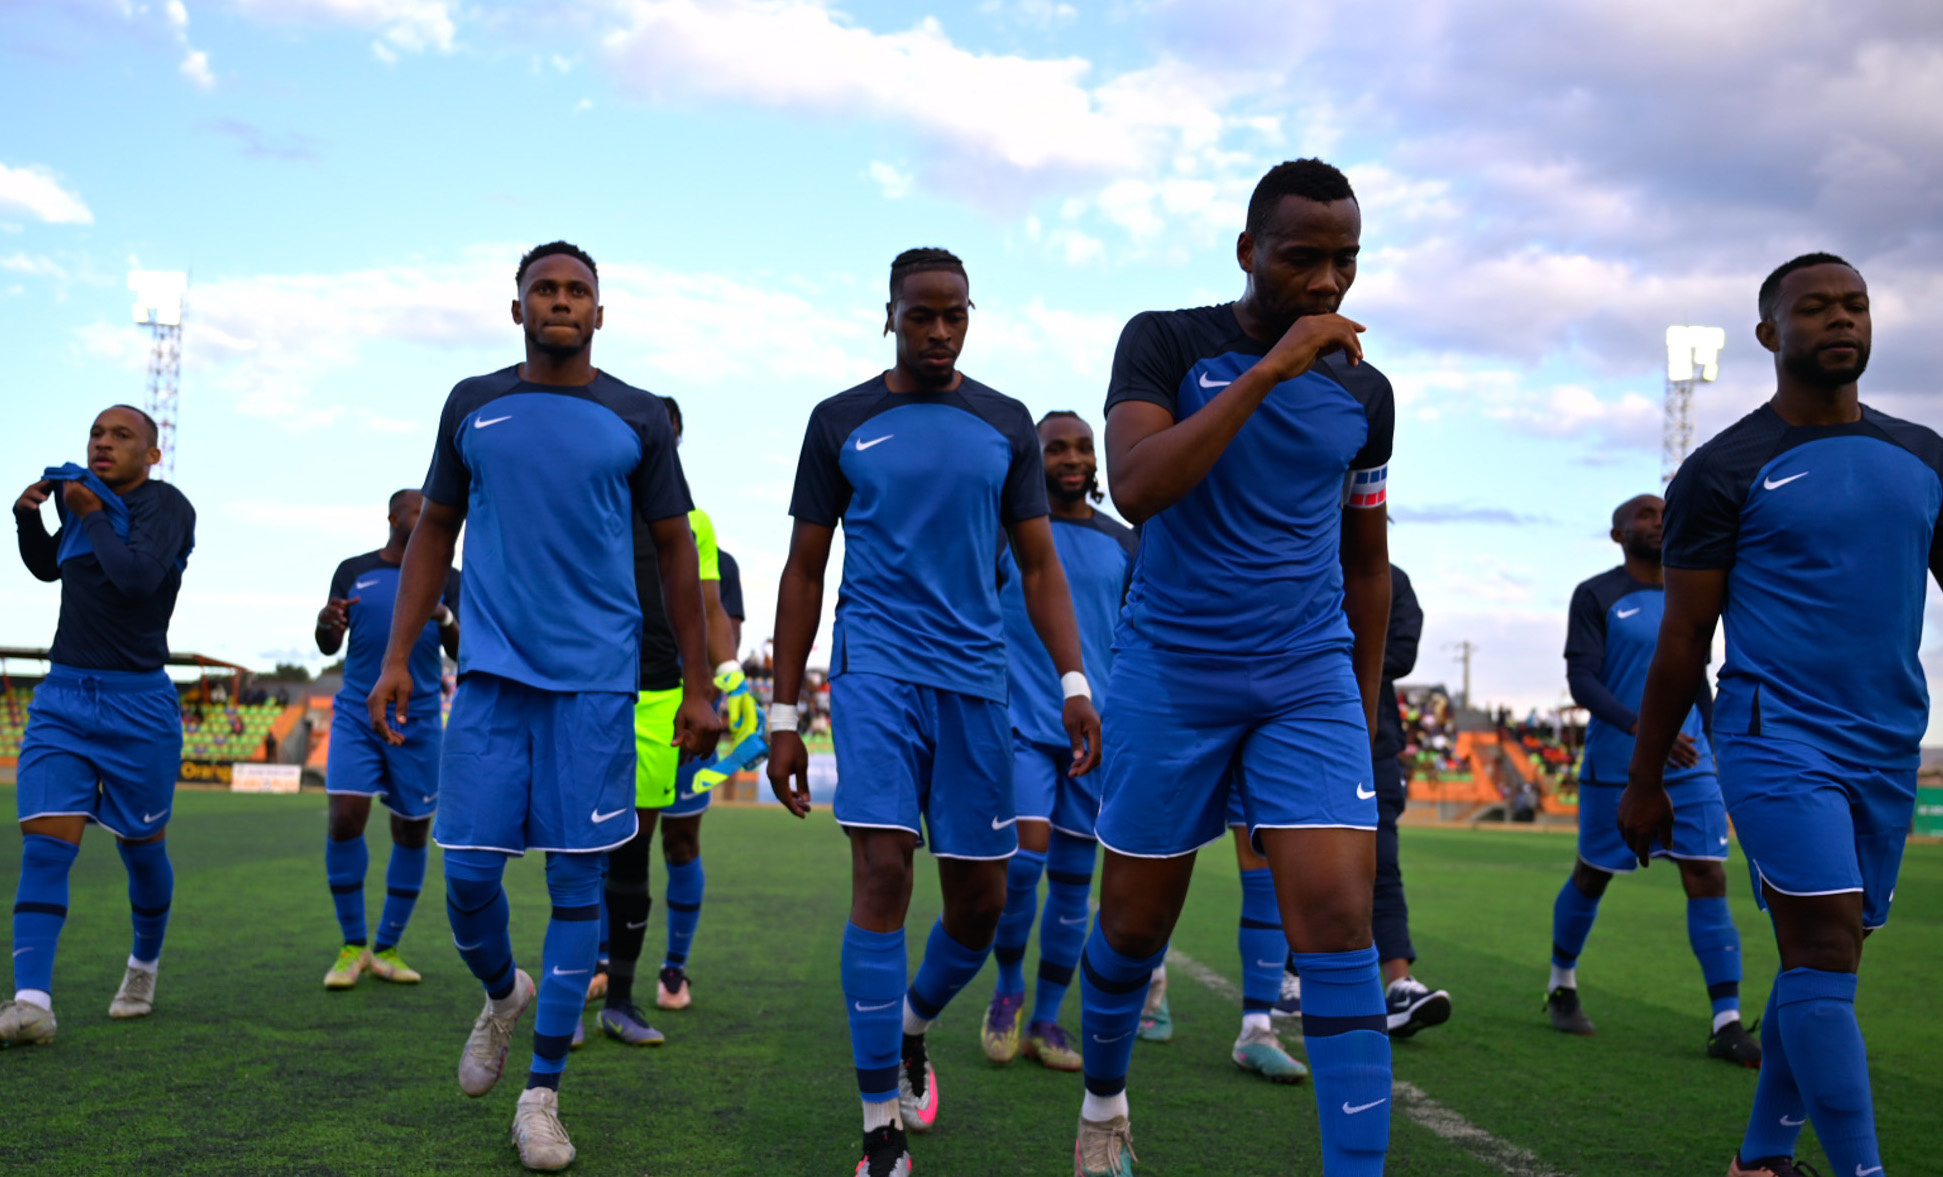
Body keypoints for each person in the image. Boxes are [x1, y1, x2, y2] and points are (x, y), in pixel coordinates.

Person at [368, 240, 720, 1171]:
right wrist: (398, 655)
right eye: (544, 290)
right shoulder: (472, 402)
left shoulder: (638, 417)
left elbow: (679, 553)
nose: (560, 301)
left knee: (577, 889)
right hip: (487, 680)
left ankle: (541, 1094)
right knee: (469, 879)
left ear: (600, 312)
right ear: (516, 306)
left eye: (577, 291)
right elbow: (435, 529)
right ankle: (499, 993)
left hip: (597, 690)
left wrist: (699, 678)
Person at [1073, 158, 1393, 1177]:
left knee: (1339, 918)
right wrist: (1267, 371)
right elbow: (1135, 485)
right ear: (1249, 251)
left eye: (1343, 260)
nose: (1326, 282)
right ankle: (1102, 1105)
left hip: (1306, 674)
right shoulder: (1165, 340)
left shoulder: (1367, 395)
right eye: (1303, 257)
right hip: (1172, 669)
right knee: (1131, 924)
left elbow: (1364, 561)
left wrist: (1365, 699)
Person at [767, 247, 1102, 1177]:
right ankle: (880, 1125)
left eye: (955, 314)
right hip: (873, 669)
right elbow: (803, 570)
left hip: (976, 684)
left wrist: (1074, 684)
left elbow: (1039, 566)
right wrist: (785, 711)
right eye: (921, 315)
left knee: (983, 902)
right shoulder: (841, 420)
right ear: (889, 316)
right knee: (881, 872)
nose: (940, 330)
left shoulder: (1002, 423)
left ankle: (911, 1027)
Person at [1623, 253, 1942, 1177]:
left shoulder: (1922, 456)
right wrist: (1646, 781)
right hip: (1773, 733)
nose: (1840, 319)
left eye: (1855, 304)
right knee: (1822, 941)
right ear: (1769, 334)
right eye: (1814, 307)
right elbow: (1683, 638)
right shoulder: (1722, 467)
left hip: (1887, 737)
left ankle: (1760, 1159)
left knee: (1825, 962)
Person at [3, 405, 196, 1046]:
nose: (102, 443)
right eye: (95, 433)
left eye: (121, 435)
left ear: (153, 453)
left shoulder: (166, 508)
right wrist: (28, 519)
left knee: (141, 852)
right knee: (46, 846)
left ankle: (143, 965)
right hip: (63, 697)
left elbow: (138, 579)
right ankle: (32, 1002)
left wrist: (88, 513)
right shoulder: (83, 505)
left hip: (137, 706)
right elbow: (50, 566)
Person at [1549, 494, 1759, 1065]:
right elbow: (1582, 680)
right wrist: (1647, 730)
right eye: (1643, 515)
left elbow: (1697, 681)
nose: (1658, 521)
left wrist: (1720, 749)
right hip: (1615, 767)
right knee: (1593, 877)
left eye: (1665, 513)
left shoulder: (1690, 592)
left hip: (1691, 766)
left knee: (1707, 876)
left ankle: (1728, 1020)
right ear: (1617, 534)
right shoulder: (1596, 594)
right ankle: (1561, 984)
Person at [591, 394, 752, 1043]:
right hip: (589, 694)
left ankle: (657, 975)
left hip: (671, 703)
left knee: (663, 842)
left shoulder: (696, 524)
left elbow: (711, 610)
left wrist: (726, 680)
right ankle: (583, 976)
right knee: (582, 847)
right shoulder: (589, 504)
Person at [978, 411, 1136, 1074]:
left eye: (1082, 448)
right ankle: (1007, 989)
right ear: (1033, 459)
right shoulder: (1004, 534)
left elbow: (1137, 629)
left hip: (1095, 731)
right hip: (1019, 720)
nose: (1071, 459)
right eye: (1055, 448)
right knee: (1021, 865)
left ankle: (1047, 1017)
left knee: (1074, 886)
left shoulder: (1125, 542)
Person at [313, 489, 461, 990]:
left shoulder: (450, 577)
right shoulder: (354, 569)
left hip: (418, 719)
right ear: (394, 516)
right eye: (417, 510)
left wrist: (444, 617)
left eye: (431, 512)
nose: (425, 519)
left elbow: (462, 649)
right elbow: (329, 643)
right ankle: (352, 945)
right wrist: (324, 623)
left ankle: (389, 947)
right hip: (356, 710)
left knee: (412, 831)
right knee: (346, 817)